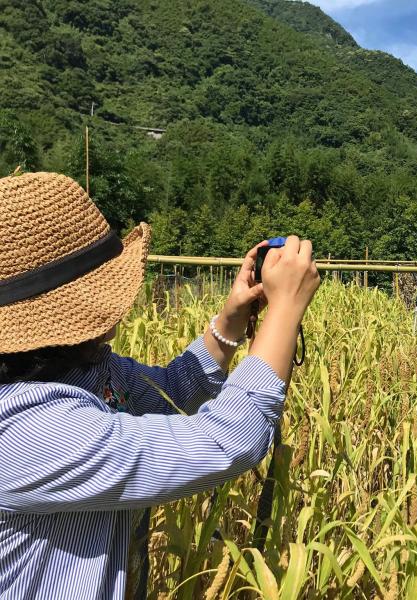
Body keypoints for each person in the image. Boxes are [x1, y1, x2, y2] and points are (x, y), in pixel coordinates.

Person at [0, 172, 320, 598]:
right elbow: (226, 441)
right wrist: (285, 311)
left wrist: (231, 320)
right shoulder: (28, 432)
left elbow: (171, 388)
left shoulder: (74, 369)